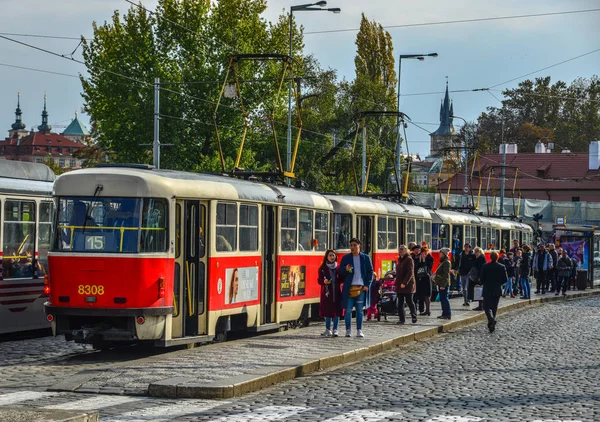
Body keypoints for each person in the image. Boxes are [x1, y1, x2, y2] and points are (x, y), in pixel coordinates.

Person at [338, 238, 373, 338]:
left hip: (361, 287)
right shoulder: (346, 258)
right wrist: (345, 269)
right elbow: (340, 271)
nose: (352, 247)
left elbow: (370, 272)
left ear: (359, 246)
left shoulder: (365, 258)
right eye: (351, 245)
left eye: (354, 245)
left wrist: (367, 284)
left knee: (359, 310)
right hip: (349, 287)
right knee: (348, 310)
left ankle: (359, 330)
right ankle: (348, 330)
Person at [480, 251, 508, 333]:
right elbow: (505, 279)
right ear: (497, 257)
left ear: (490, 257)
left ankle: (491, 319)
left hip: (487, 288)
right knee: (494, 306)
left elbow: (481, 279)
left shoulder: (485, 266)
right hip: (497, 289)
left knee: (486, 306)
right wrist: (499, 283)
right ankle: (492, 321)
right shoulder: (502, 267)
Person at [318, 249, 342, 337]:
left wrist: (349, 271)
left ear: (335, 257)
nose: (332, 257)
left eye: (333, 255)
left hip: (337, 292)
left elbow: (343, 278)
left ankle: (335, 329)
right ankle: (328, 329)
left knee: (336, 311)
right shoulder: (323, 268)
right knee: (327, 311)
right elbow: (319, 280)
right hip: (327, 292)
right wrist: (323, 281)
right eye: (330, 255)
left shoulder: (338, 267)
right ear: (327, 257)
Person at [395, 244, 417, 325]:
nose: (400, 251)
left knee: (409, 301)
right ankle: (402, 319)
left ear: (406, 250)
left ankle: (414, 315)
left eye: (402, 249)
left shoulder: (409, 259)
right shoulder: (400, 259)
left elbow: (410, 272)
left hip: (408, 285)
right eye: (399, 249)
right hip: (400, 285)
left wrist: (405, 283)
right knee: (400, 303)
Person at [433, 247, 452, 320]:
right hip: (441, 283)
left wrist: (443, 285)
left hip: (444, 284)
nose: (439, 254)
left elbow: (446, 274)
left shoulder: (447, 262)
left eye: (441, 253)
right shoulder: (443, 262)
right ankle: (444, 313)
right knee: (443, 299)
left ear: (444, 254)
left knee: (444, 299)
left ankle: (447, 314)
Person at [415, 246, 433, 316]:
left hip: (427, 278)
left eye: (425, 252)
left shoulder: (430, 258)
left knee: (427, 295)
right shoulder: (419, 259)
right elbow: (417, 268)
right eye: (422, 253)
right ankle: (423, 309)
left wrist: (424, 261)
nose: (423, 254)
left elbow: (428, 269)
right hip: (421, 279)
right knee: (422, 294)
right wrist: (420, 261)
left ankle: (428, 310)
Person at [471, 247, 487, 311]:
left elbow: (481, 268)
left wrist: (480, 277)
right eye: (475, 251)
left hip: (480, 277)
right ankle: (480, 305)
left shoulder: (481, 258)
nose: (475, 253)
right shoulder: (478, 258)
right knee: (479, 290)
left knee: (480, 290)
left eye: (476, 251)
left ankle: (481, 306)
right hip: (478, 276)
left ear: (480, 251)